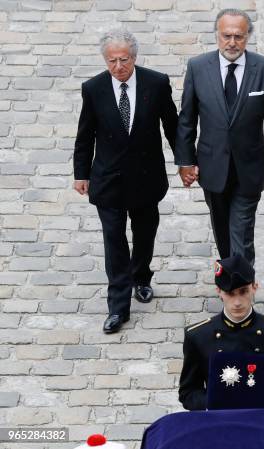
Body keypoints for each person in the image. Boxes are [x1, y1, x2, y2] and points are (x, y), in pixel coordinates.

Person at [73, 28, 177, 334]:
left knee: (145, 233)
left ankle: (141, 277)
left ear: (134, 56)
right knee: (114, 241)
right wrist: (81, 173)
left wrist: (186, 161)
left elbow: (172, 126)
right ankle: (118, 307)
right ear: (105, 61)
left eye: (124, 60)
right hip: (108, 180)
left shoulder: (156, 83)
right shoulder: (93, 88)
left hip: (146, 177)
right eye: (112, 61)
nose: (119, 67)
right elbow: (85, 134)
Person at [175, 9, 264, 266]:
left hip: (248, 167)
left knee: (241, 231)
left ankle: (240, 289)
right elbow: (187, 119)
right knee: (222, 231)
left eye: (238, 36)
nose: (232, 42)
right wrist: (185, 161)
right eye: (226, 36)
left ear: (248, 36)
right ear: (217, 36)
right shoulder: (198, 67)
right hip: (212, 165)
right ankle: (230, 276)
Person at [178, 254, 264, 412]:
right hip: (218, 421)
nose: (237, 302)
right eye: (230, 293)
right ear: (219, 291)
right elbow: (188, 392)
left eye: (243, 291)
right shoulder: (198, 335)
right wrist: (213, 406)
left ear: (255, 287)